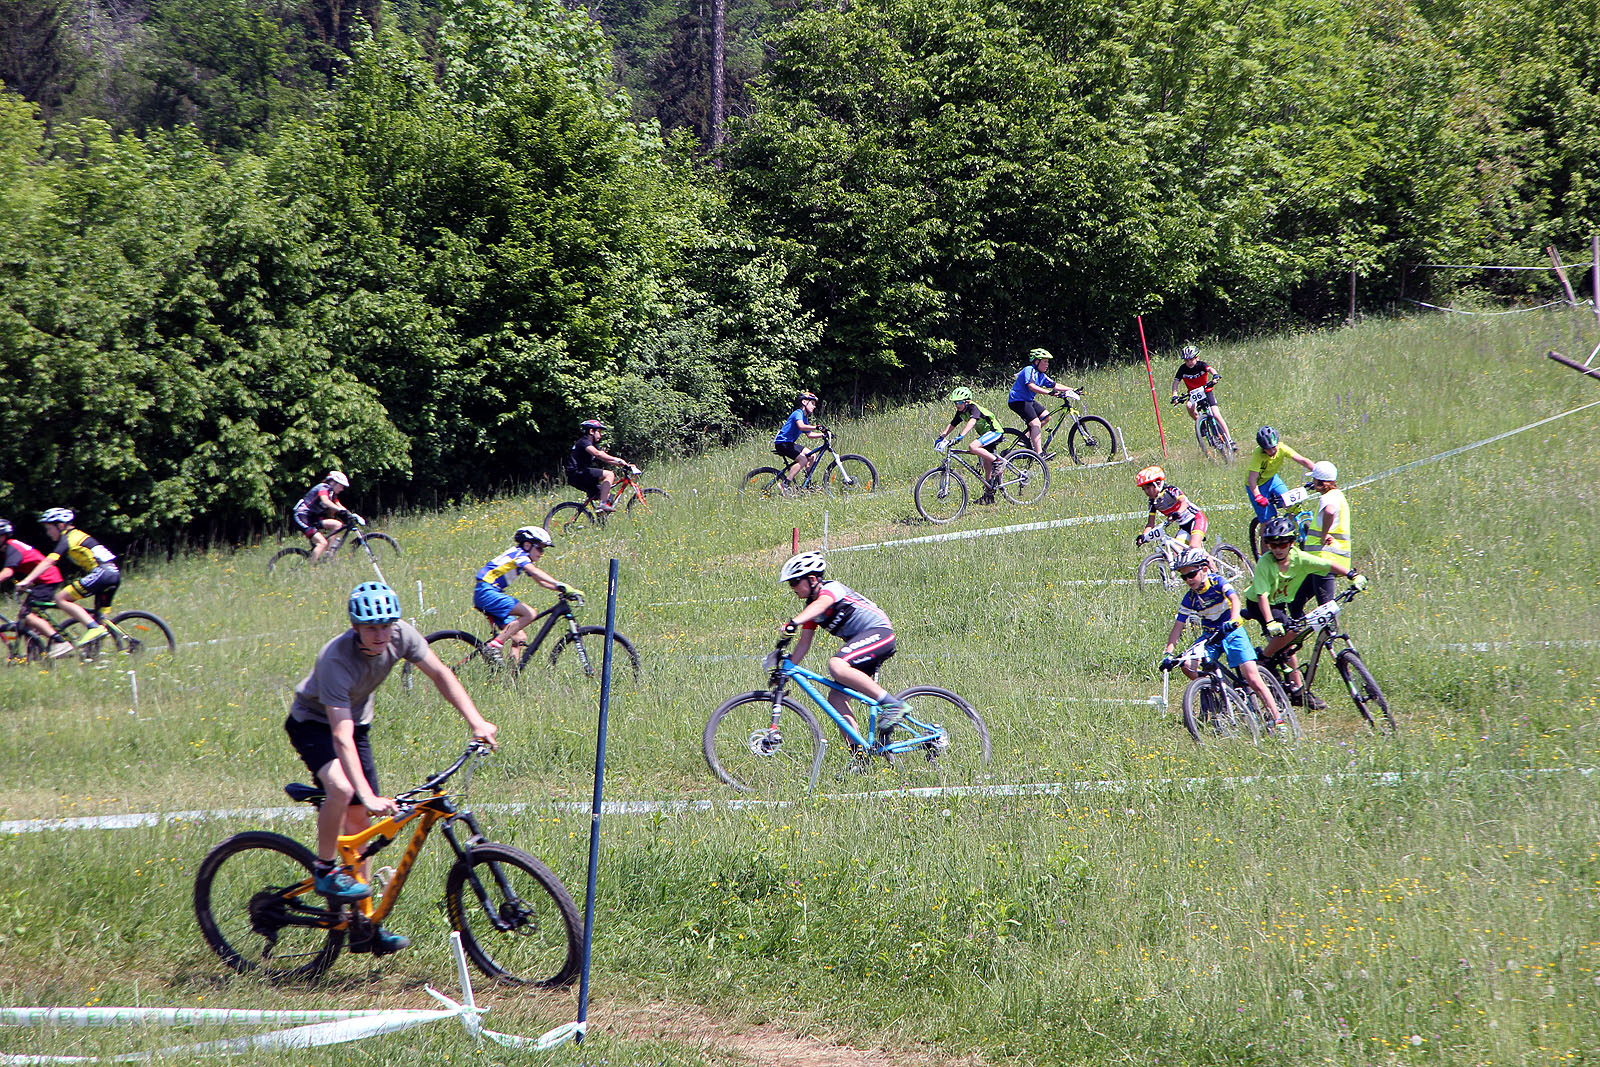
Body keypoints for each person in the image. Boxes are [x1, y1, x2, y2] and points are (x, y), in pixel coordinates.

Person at [285, 581, 498, 956]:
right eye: (371, 628)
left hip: (357, 723)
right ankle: (325, 868)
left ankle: (363, 924)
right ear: (355, 628)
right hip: (313, 724)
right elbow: (340, 735)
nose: (381, 634)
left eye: (386, 625)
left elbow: (441, 674)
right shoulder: (336, 659)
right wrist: (366, 795)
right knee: (343, 790)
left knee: (360, 827)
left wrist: (477, 722)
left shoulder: (402, 635)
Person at [778, 552, 909, 745]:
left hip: (880, 633)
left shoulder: (831, 589)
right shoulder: (811, 608)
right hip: (863, 645)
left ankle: (893, 705)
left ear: (812, 579)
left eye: (794, 582)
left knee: (836, 665)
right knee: (836, 698)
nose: (792, 588)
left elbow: (823, 603)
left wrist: (794, 622)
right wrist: (784, 672)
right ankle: (859, 754)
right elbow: (804, 644)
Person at [1240, 516, 1366, 707]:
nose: (1278, 549)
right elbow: (1262, 596)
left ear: (1291, 543)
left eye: (1283, 544)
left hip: (1279, 603)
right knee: (1290, 632)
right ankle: (1264, 659)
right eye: (1273, 545)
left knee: (1290, 644)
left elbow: (1326, 565)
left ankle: (1298, 691)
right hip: (1259, 605)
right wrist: (1270, 622)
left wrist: (1352, 575)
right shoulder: (1265, 563)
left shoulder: (1299, 558)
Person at [1158, 549, 1283, 726]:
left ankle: (1278, 720)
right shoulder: (1190, 598)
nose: (1188, 580)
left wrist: (1233, 620)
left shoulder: (1217, 582)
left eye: (1191, 574)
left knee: (1253, 678)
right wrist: (1168, 654)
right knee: (1186, 665)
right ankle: (1223, 690)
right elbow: (1178, 627)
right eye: (1184, 577)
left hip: (1232, 631)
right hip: (1210, 636)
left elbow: (1235, 599)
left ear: (1204, 569)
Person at [15, 508, 121, 657]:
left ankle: (93, 628)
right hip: (113, 573)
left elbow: (50, 561)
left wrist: (27, 580)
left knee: (60, 598)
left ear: (61, 525)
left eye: (49, 528)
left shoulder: (69, 537)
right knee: (100, 618)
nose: (48, 533)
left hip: (103, 573)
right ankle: (95, 655)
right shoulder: (77, 535)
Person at [473, 525, 584, 662]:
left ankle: (511, 674)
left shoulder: (522, 558)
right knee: (530, 613)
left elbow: (541, 582)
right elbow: (535, 571)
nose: (541, 553)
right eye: (539, 548)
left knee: (519, 638)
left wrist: (562, 589)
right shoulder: (519, 554)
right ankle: (493, 646)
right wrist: (560, 583)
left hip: (488, 592)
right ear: (527, 545)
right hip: (486, 591)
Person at [0, 518, 72, 659]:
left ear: (3, 536)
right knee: (26, 620)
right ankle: (35, 654)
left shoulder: (11, 547)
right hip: (41, 580)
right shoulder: (8, 547)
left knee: (26, 615)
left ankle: (60, 641)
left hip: (47, 579)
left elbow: (8, 572)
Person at [934, 387, 1004, 503]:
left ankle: (998, 462)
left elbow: (972, 421)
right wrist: (941, 437)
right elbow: (952, 424)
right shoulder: (961, 412)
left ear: (967, 401)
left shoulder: (973, 408)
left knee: (973, 447)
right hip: (985, 435)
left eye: (959, 402)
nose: (957, 405)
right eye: (955, 402)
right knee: (987, 466)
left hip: (995, 432)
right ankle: (989, 495)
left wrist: (961, 436)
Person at [1171, 344, 1236, 452]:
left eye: (1191, 359)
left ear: (1197, 358)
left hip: (1206, 391)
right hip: (1193, 394)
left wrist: (1215, 375)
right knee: (1189, 406)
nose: (1189, 362)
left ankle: (1229, 440)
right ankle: (1200, 422)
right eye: (1186, 360)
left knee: (1216, 414)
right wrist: (1174, 395)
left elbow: (1210, 369)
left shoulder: (1201, 365)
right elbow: (1176, 382)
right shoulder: (1182, 369)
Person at [1245, 427, 1315, 525]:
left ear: (1277, 443)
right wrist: (1258, 496)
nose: (1272, 451)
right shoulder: (1258, 455)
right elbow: (1252, 480)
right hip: (1257, 486)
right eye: (1268, 449)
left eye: (1273, 447)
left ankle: (1295, 530)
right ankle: (1266, 534)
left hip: (1272, 480)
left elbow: (1303, 460)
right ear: (1262, 448)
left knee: (1292, 506)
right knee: (1268, 522)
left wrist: (1319, 473)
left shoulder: (1282, 448)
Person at [1007, 348, 1068, 456]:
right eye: (1045, 361)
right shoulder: (1029, 369)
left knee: (1046, 416)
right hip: (1017, 401)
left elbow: (1055, 385)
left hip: (1028, 400)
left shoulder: (1041, 375)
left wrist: (1072, 390)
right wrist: (1049, 393)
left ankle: (1025, 438)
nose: (1047, 364)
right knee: (1035, 424)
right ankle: (1039, 454)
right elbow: (1031, 386)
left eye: (1048, 362)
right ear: (1036, 361)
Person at [565, 419, 635, 512]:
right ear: (591, 431)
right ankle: (603, 504)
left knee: (607, 496)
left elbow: (605, 458)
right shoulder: (584, 442)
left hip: (580, 475)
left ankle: (601, 516)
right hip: (576, 473)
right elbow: (598, 454)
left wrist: (625, 465)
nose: (600, 435)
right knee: (609, 474)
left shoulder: (592, 444)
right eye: (599, 432)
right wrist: (617, 459)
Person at [1134, 466, 1209, 552]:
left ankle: (1211, 561)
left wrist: (1178, 513)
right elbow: (1150, 523)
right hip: (1184, 527)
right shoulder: (1153, 502)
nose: (1146, 492)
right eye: (1144, 489)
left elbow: (1184, 502)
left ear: (1158, 483)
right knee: (1177, 553)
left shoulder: (1170, 490)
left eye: (1148, 488)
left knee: (1194, 546)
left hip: (1196, 519)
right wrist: (1144, 536)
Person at [292, 471, 356, 563]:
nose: (342, 489)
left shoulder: (332, 493)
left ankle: (328, 555)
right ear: (333, 482)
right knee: (322, 543)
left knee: (337, 525)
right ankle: (311, 568)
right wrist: (340, 510)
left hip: (312, 517)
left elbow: (339, 505)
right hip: (302, 516)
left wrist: (352, 515)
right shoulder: (323, 487)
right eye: (341, 485)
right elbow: (325, 501)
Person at [773, 391, 826, 486]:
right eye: (812, 403)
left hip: (789, 443)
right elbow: (801, 426)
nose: (814, 406)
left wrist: (823, 435)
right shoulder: (798, 413)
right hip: (782, 443)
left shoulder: (804, 417)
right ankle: (785, 484)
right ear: (804, 402)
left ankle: (807, 484)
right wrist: (817, 427)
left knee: (812, 455)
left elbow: (809, 434)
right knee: (803, 460)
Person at [1306, 461, 1351, 566]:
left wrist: (1324, 536)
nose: (1313, 482)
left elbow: (1329, 512)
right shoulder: (1339, 495)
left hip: (1323, 556)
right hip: (1337, 558)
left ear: (1320, 482)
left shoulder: (1328, 497)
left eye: (1314, 480)